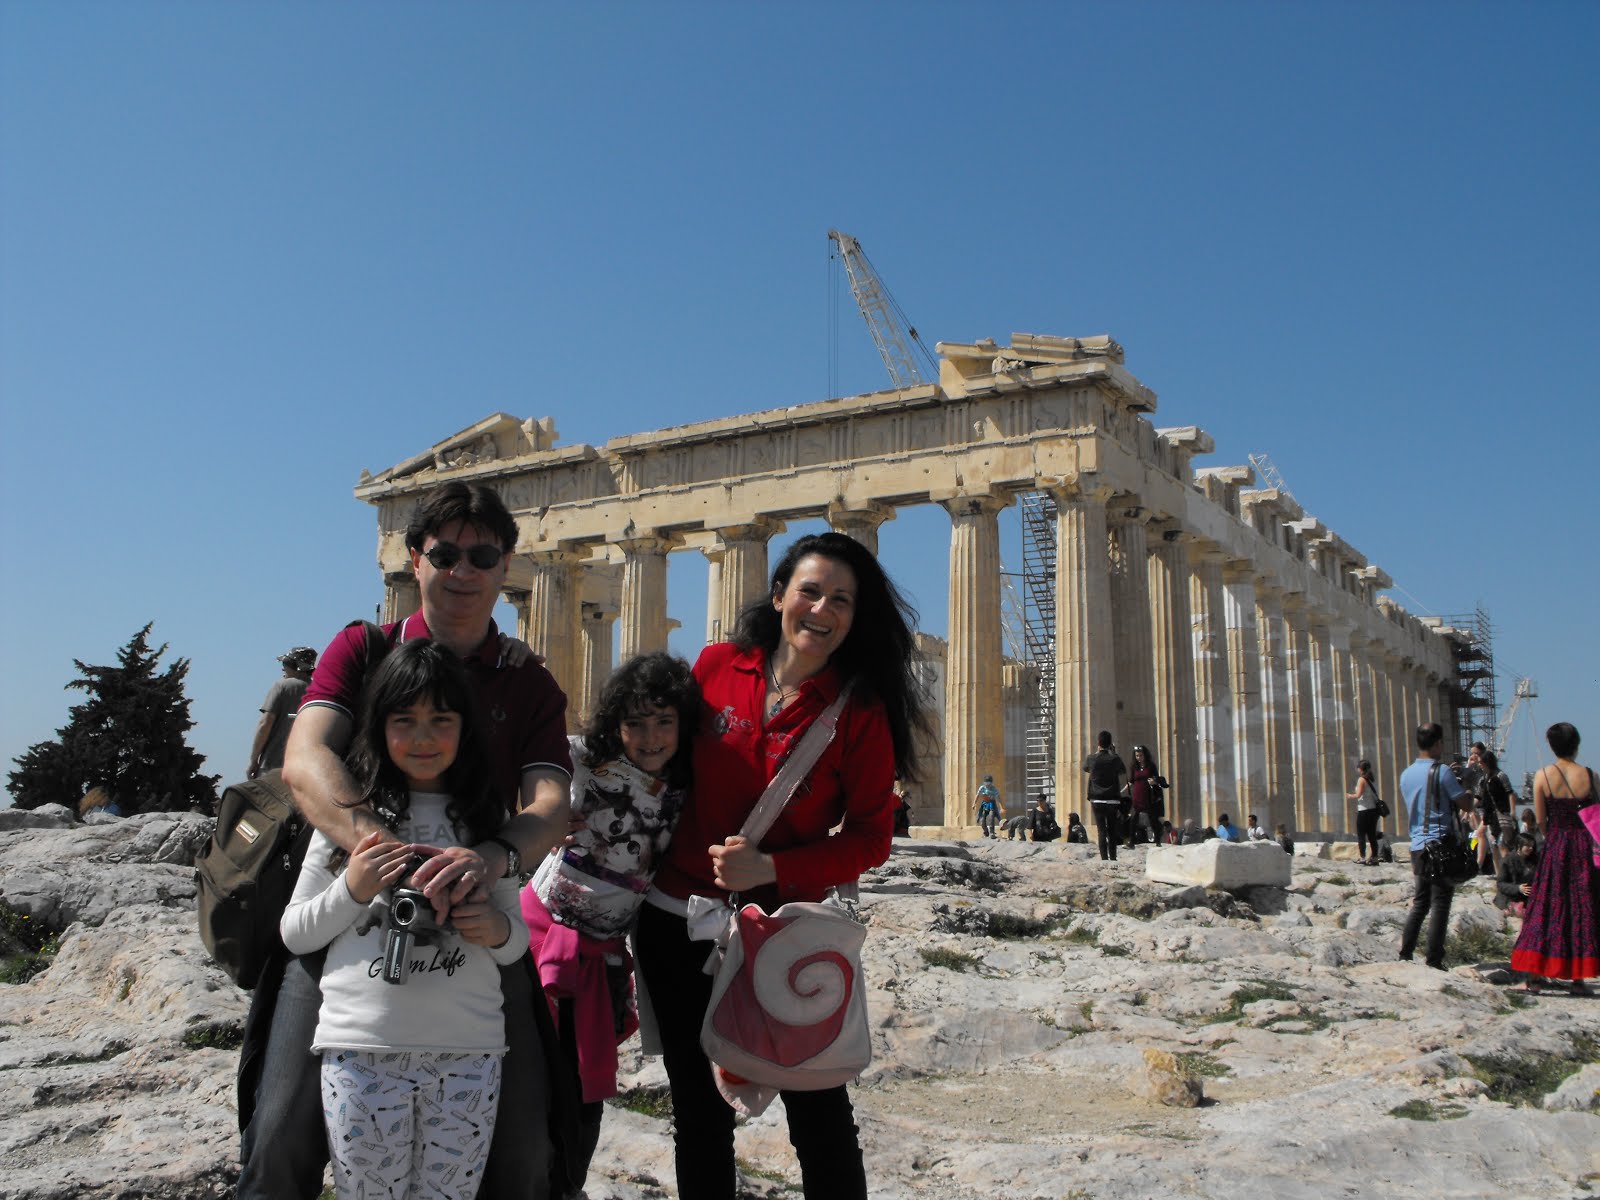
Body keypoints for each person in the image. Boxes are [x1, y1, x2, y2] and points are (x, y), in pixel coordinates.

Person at [238, 482, 575, 1200]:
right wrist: (381, 856)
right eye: (444, 552)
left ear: (507, 565)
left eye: (482, 555)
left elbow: (550, 806)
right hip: (350, 917)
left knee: (524, 1151)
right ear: (413, 560)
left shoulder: (529, 683)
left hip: (474, 921)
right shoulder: (362, 650)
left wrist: (491, 859)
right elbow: (304, 760)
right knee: (278, 1139)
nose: (463, 570)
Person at [634, 531, 928, 1200]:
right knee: (699, 1117)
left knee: (818, 1113)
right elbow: (654, 759)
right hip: (674, 922)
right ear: (779, 596)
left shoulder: (859, 710)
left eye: (842, 600)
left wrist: (772, 868)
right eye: (811, 591)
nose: (822, 610)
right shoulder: (714, 667)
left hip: (780, 931)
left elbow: (870, 838)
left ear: (857, 617)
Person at [280, 640, 529, 1200]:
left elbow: (516, 943)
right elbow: (295, 930)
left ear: (465, 728)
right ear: (378, 726)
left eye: (441, 720)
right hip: (362, 1052)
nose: (422, 738)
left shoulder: (490, 819)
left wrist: (491, 927)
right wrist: (353, 889)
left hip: (468, 1054)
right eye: (404, 720)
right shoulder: (349, 816)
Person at [524, 652, 699, 1195]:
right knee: (531, 1078)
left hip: (600, 951)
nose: (650, 737)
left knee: (584, 1085)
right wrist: (539, 820)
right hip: (539, 935)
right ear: (614, 726)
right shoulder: (581, 762)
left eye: (664, 722)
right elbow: (524, 781)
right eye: (636, 724)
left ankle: (566, 1183)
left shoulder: (688, 787)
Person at [1509, 722, 1599, 994]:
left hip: (1556, 846)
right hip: (1582, 847)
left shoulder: (1543, 776)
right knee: (1581, 909)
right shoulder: (1590, 775)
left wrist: (1554, 837)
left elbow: (1541, 821)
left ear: (1551, 745)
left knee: (1546, 908)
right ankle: (1578, 979)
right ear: (1577, 743)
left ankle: (1535, 977)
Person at [1398, 722, 1475, 970]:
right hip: (1439, 842)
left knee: (1420, 902)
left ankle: (1406, 953)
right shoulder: (1442, 772)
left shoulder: (1406, 773)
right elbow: (1465, 804)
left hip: (1418, 845)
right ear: (1438, 743)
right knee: (1441, 901)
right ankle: (1434, 959)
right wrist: (1469, 788)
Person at [247, 646, 316, 778]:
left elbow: (265, 724)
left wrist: (253, 761)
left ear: (297, 666)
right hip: (307, 771)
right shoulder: (319, 691)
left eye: (286, 663)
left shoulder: (282, 687)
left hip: (273, 766)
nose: (283, 668)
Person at [1082, 731, 1127, 861]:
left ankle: (1104, 859)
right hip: (1112, 799)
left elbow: (1085, 768)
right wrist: (1113, 753)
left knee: (1101, 830)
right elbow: (1123, 770)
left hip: (1097, 798)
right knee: (1112, 830)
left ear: (1098, 743)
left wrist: (1097, 753)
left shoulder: (1092, 758)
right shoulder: (1114, 759)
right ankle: (1113, 857)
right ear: (1110, 743)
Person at [1125, 744, 1165, 847]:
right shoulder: (1134, 767)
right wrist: (1123, 789)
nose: (1139, 758)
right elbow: (1131, 780)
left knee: (1152, 818)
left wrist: (1154, 781)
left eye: (1141, 755)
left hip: (1147, 795)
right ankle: (1131, 841)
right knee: (1133, 818)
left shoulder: (1151, 766)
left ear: (1145, 755)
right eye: (1137, 756)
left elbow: (1156, 778)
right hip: (1137, 795)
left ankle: (1157, 840)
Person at [1494, 834, 1538, 918]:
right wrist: (1518, 888)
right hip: (1510, 897)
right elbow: (1501, 884)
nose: (1531, 848)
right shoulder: (1508, 861)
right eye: (1527, 846)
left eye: (1532, 846)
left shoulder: (1534, 859)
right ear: (1519, 845)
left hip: (1528, 896)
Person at [1349, 758, 1383, 865]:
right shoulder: (1371, 779)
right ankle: (1375, 857)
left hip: (1364, 810)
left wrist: (1349, 796)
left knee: (1361, 834)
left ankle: (1362, 857)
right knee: (1372, 834)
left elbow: (1358, 794)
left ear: (1361, 769)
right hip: (1373, 811)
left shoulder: (1361, 779)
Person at [974, 774, 1004, 838]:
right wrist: (974, 803)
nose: (988, 784)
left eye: (989, 782)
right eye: (986, 782)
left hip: (992, 804)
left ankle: (992, 832)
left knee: (991, 816)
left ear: (991, 783)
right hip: (984, 804)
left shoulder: (994, 789)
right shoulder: (982, 788)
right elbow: (978, 795)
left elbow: (998, 798)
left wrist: (1001, 807)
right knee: (982, 819)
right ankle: (986, 832)